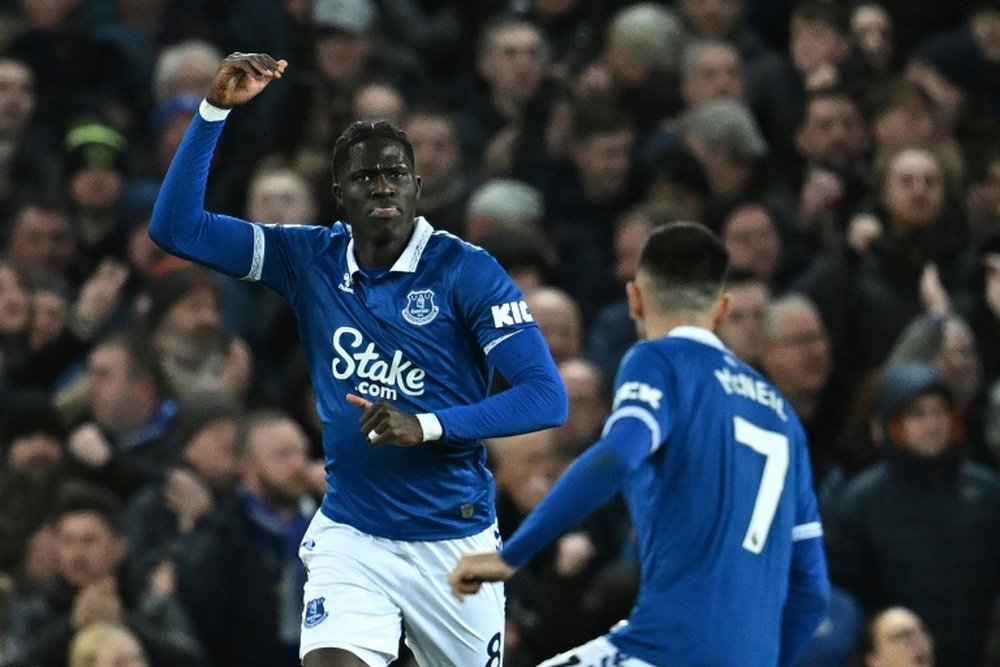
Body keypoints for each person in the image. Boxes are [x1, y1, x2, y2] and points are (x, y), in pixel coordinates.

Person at [148, 52, 568, 667]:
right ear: (339, 196)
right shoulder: (308, 259)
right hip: (353, 534)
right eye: (365, 177)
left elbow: (546, 396)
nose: (381, 186)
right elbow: (178, 229)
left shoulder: (466, 272)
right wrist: (214, 111)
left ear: (417, 189)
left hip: (452, 537)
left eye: (395, 174)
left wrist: (424, 425)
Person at [451, 221, 830, 666]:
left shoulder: (659, 360)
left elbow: (616, 455)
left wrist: (508, 556)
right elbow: (812, 590)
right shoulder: (782, 416)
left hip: (663, 648)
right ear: (723, 308)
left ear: (635, 298)